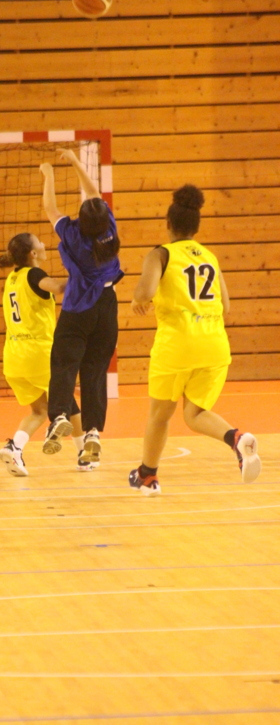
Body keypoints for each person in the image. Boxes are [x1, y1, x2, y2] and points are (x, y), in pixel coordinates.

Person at [129, 184, 261, 496]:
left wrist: (138, 300)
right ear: (196, 226)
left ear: (168, 224)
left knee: (160, 416)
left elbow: (145, 292)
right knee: (194, 414)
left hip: (178, 344)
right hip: (214, 344)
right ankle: (235, 438)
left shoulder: (160, 253)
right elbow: (225, 306)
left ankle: (148, 476)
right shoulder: (209, 257)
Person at [39, 149, 123, 462]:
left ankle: (60, 415)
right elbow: (94, 194)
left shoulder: (73, 235)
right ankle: (93, 431)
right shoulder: (109, 229)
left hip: (79, 306)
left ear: (82, 220)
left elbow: (50, 208)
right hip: (107, 305)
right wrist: (76, 162)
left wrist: (49, 174)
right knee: (95, 370)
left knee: (64, 363)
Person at [0, 232, 96, 476]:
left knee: (40, 411)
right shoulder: (34, 274)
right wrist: (85, 274)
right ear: (33, 253)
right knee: (68, 401)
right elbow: (59, 287)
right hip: (38, 353)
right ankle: (85, 456)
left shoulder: (12, 278)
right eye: (39, 242)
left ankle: (14, 447)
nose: (43, 244)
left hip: (13, 355)